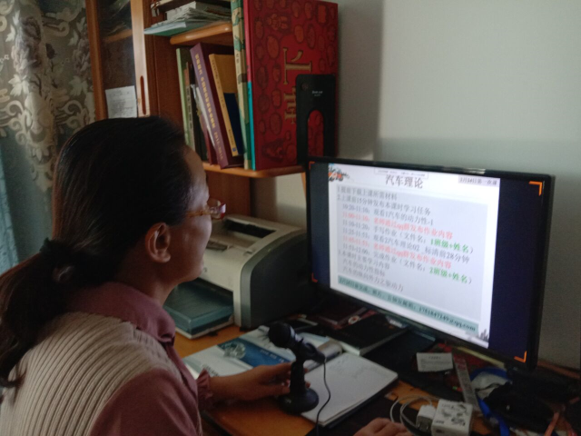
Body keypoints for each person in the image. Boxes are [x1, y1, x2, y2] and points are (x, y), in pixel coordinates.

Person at [0, 117, 411, 436]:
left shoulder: (49, 311)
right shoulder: (141, 385)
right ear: (160, 241)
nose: (216, 215)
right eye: (207, 205)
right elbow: (135, 403)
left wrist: (210, 390)